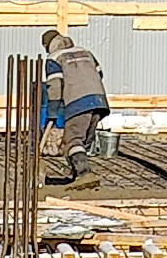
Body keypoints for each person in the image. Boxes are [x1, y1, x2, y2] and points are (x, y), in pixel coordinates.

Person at [39, 24, 113, 175]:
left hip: (78, 102)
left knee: (73, 140)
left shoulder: (54, 58)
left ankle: (84, 174)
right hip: (99, 100)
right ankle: (76, 171)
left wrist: (53, 108)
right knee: (84, 141)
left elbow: (55, 85)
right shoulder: (85, 52)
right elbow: (99, 73)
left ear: (47, 46)